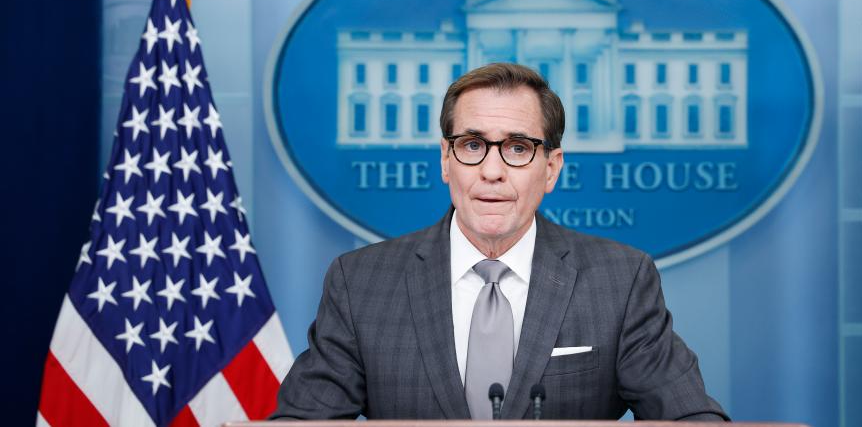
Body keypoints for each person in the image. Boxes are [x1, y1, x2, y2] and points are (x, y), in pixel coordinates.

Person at [273, 63, 727, 421]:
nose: (492, 171)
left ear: (551, 168)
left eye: (517, 147)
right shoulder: (361, 283)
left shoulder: (621, 280)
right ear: (446, 161)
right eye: (472, 145)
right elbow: (303, 422)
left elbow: (691, 420)